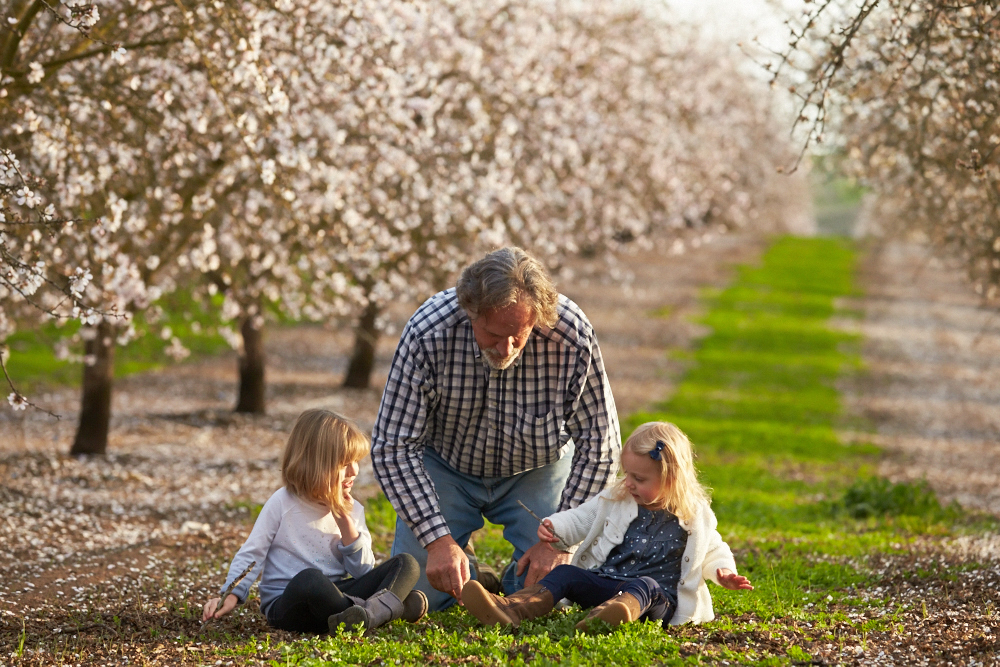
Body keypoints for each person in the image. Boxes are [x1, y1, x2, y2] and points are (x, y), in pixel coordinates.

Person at [371, 247, 621, 611]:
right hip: (446, 467)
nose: (506, 348)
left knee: (564, 590)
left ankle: (502, 582)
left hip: (538, 468)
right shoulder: (428, 332)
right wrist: (436, 540)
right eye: (492, 333)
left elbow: (601, 445)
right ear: (470, 311)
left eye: (518, 334)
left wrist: (558, 544)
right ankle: (466, 564)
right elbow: (392, 446)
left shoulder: (571, 334)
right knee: (419, 597)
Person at [462, 421, 753, 631]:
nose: (629, 483)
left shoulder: (695, 517)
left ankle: (614, 614)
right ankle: (513, 608)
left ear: (671, 480)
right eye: (627, 474)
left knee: (645, 585)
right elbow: (583, 517)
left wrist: (723, 572)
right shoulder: (618, 499)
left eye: (639, 479)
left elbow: (714, 549)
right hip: (609, 582)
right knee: (565, 572)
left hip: (658, 599)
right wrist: (557, 525)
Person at [201, 409, 428, 634]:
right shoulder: (282, 502)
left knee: (406, 564)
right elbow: (252, 553)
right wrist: (231, 594)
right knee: (310, 580)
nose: (354, 470)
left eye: (356, 461)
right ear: (315, 464)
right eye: (345, 463)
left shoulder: (353, 510)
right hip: (289, 602)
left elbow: (363, 572)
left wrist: (348, 530)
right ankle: (387, 611)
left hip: (337, 597)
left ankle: (364, 617)